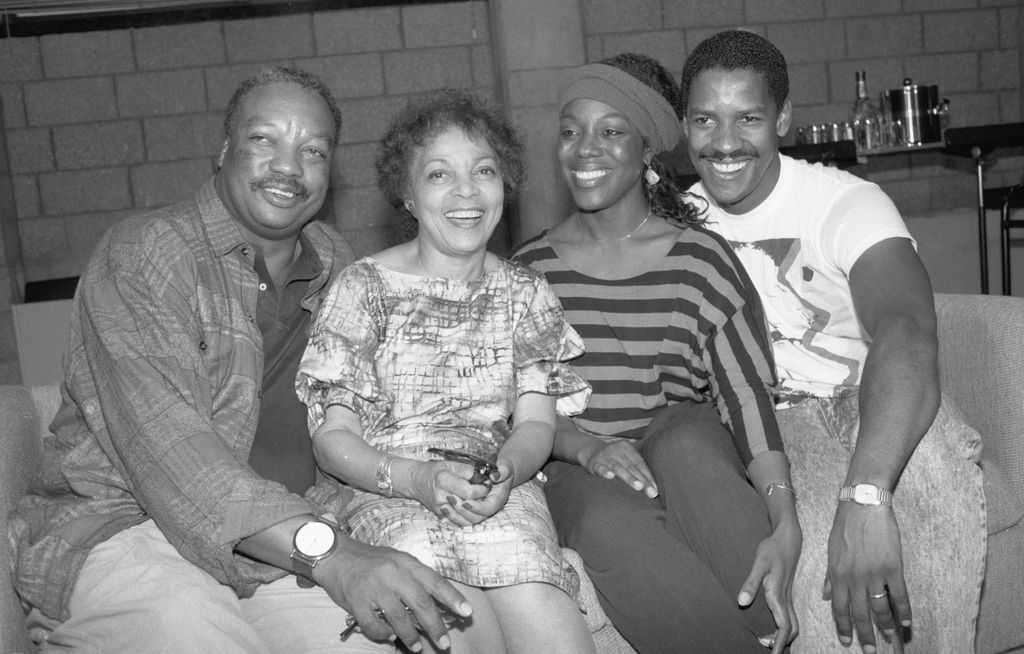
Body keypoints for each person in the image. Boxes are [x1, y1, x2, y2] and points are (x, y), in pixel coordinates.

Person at [7, 66, 472, 654]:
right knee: (194, 632)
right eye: (264, 139)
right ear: (224, 150)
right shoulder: (147, 254)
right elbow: (172, 455)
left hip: (277, 545)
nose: (287, 166)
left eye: (313, 150)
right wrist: (335, 553)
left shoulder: (337, 265)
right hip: (130, 526)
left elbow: (384, 403)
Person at [679, 30, 986, 654]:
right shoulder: (675, 227)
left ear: (784, 119)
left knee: (935, 477)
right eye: (706, 119)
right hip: (766, 421)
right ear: (684, 125)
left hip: (863, 395)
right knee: (816, 550)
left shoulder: (844, 201)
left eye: (749, 118)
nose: (726, 142)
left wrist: (867, 491)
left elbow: (906, 329)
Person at [511, 53, 801, 654]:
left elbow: (745, 395)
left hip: (681, 436)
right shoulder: (527, 274)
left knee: (688, 445)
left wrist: (784, 515)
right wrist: (588, 448)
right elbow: (510, 406)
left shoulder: (701, 258)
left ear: (647, 150)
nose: (584, 149)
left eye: (611, 132)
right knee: (604, 520)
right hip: (575, 457)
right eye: (571, 132)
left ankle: (770, 624)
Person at [296, 89, 596, 654]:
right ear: (406, 196)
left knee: (545, 612)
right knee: (457, 615)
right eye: (439, 174)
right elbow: (332, 439)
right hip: (389, 487)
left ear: (504, 183)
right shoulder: (362, 289)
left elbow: (536, 424)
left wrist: (506, 469)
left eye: (483, 170)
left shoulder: (527, 294)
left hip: (498, 490)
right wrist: (416, 479)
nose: (466, 190)